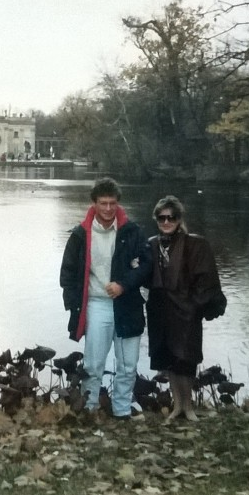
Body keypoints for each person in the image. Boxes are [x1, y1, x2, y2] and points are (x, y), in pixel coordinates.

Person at [60, 178, 152, 418]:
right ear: (94, 203)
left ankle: (121, 410)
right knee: (92, 364)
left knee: (128, 364)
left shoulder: (131, 232)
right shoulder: (80, 235)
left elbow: (146, 266)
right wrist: (73, 305)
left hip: (128, 303)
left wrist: (124, 284)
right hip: (97, 304)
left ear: (118, 203)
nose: (109, 209)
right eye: (103, 203)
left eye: (113, 203)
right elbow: (67, 273)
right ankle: (89, 409)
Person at [146, 195, 224, 422]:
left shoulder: (195, 244)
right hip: (160, 310)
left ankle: (188, 406)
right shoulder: (151, 244)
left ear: (179, 219)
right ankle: (177, 405)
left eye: (172, 217)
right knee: (168, 359)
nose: (167, 221)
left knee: (186, 359)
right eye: (162, 217)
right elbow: (142, 276)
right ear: (156, 219)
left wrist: (194, 306)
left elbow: (207, 279)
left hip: (186, 311)